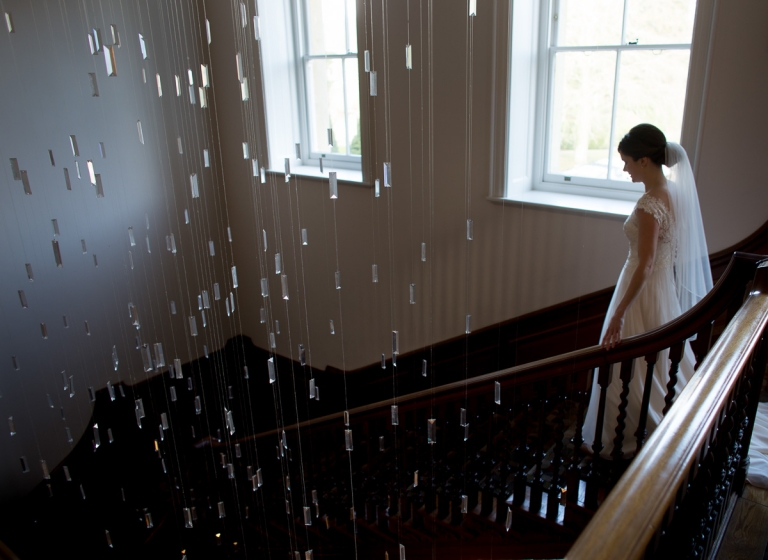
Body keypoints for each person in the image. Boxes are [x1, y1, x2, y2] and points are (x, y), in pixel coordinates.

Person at [581, 123, 713, 458]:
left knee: (628, 360)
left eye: (626, 161)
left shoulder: (650, 204)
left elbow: (647, 262)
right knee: (656, 361)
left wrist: (621, 312)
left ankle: (626, 438)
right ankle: (668, 426)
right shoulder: (674, 195)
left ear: (644, 161)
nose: (624, 168)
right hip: (661, 291)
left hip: (640, 290)